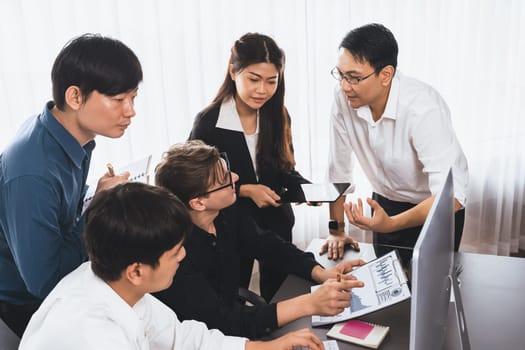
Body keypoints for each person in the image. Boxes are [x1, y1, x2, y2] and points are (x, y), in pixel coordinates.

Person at [19, 183, 325, 350]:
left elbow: (183, 338)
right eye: (176, 251)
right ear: (137, 271)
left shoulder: (115, 283)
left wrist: (270, 349)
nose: (183, 257)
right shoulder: (92, 335)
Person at [0, 33, 142, 336]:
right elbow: (44, 282)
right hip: (25, 307)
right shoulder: (32, 171)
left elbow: (63, 217)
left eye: (133, 98)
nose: (130, 111)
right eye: (119, 100)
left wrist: (94, 198)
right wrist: (97, 208)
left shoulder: (68, 134)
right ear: (75, 97)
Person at [154, 140, 364, 339]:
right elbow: (222, 323)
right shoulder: (176, 255)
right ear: (198, 203)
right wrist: (309, 303)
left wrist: (320, 272)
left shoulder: (226, 213)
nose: (235, 177)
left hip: (236, 321)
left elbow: (268, 245)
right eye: (225, 178)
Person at [321, 23, 468, 266]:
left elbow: (451, 197)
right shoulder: (343, 99)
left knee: (431, 290)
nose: (345, 86)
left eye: (355, 78)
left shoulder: (422, 107)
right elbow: (338, 170)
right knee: (388, 287)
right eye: (341, 75)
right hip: (385, 202)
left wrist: (392, 223)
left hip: (434, 208)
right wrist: (336, 229)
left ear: (386, 75)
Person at [189, 33, 311, 301]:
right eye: (253, 79)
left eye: (272, 81)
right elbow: (194, 181)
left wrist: (307, 189)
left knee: (281, 295)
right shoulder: (210, 121)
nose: (262, 90)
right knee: (230, 294)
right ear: (234, 72)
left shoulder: (278, 115)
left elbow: (284, 167)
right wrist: (245, 190)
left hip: (276, 219)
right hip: (229, 222)